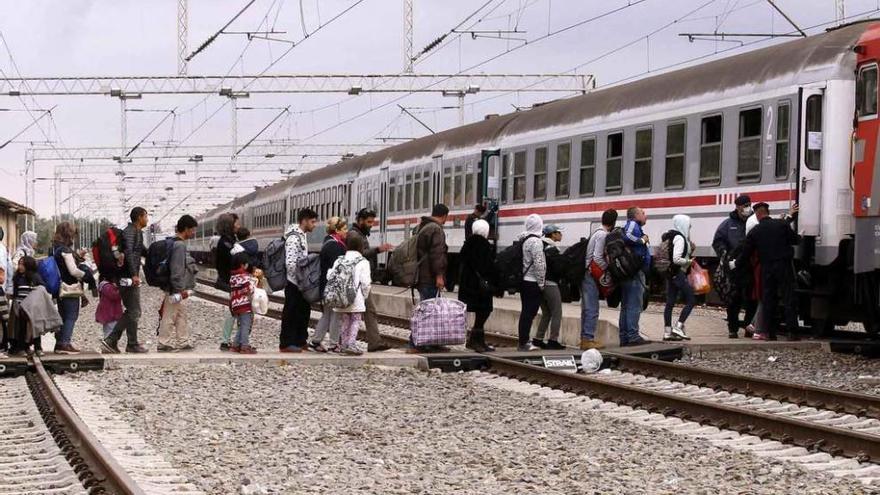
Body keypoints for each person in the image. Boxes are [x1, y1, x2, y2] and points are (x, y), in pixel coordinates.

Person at [734, 202, 800, 341]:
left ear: (757, 215)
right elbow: (795, 240)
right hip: (784, 266)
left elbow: (746, 252)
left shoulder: (756, 231)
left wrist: (735, 264)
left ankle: (770, 333)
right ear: (768, 212)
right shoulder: (781, 225)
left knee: (768, 300)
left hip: (767, 269)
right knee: (789, 298)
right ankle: (792, 332)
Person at [102, 207, 149, 354]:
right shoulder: (129, 232)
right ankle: (112, 340)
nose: (147, 219)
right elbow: (128, 252)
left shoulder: (137, 233)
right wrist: (135, 274)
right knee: (134, 311)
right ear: (139, 217)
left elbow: (142, 251)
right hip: (126, 277)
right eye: (146, 216)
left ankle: (130, 344)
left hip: (129, 276)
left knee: (133, 310)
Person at [712, 195, 758, 338]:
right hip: (734, 268)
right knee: (734, 299)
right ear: (737, 207)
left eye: (749, 204)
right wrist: (724, 254)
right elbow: (718, 241)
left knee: (751, 299)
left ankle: (748, 327)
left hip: (750, 267)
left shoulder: (754, 222)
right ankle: (732, 328)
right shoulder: (728, 224)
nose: (748, 208)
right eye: (745, 205)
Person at [348, 208, 393, 352]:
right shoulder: (354, 235)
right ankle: (371, 342)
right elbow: (359, 254)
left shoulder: (359, 234)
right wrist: (378, 250)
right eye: (368, 222)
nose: (371, 225)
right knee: (364, 311)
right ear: (360, 220)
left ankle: (373, 341)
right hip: (358, 280)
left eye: (372, 222)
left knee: (367, 311)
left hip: (361, 279)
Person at [157, 215, 199, 352]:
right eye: (192, 230)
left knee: (181, 314)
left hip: (174, 286)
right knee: (169, 315)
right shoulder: (179, 245)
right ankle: (163, 343)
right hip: (175, 287)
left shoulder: (173, 242)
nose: (193, 233)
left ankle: (183, 341)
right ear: (186, 229)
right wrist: (179, 289)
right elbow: (177, 269)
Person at [280, 208, 318, 353]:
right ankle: (286, 343)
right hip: (294, 283)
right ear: (304, 221)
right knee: (291, 312)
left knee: (303, 311)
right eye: (313, 222)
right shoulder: (294, 238)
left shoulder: (302, 236)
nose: (314, 225)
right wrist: (299, 280)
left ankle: (300, 340)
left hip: (301, 283)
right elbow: (290, 263)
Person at [458, 218, 497, 352]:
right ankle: (477, 341)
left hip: (467, 284)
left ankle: (474, 340)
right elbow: (488, 267)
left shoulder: (467, 244)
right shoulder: (484, 246)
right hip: (480, 287)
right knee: (483, 312)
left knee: (477, 311)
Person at [330, 231, 371, 356]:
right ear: (360, 247)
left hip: (341, 296)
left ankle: (343, 345)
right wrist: (364, 295)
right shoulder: (363, 262)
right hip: (356, 296)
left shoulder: (339, 260)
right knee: (356, 319)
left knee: (345, 319)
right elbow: (365, 282)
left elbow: (331, 276)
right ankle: (351, 343)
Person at [310, 216, 347, 352]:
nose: (346, 231)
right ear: (336, 230)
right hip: (332, 287)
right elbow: (337, 267)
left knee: (327, 315)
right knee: (335, 316)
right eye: (344, 229)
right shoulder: (334, 246)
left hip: (327, 286)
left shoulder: (329, 243)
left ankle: (316, 341)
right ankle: (333, 343)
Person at [581, 209, 617, 350]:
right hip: (591, 274)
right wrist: (608, 269)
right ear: (613, 222)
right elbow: (597, 258)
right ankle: (588, 339)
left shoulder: (596, 232)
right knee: (592, 308)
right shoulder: (602, 235)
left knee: (586, 308)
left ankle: (584, 339)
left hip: (586, 273)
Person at [51, 222, 85, 355]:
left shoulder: (55, 248)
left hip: (59, 287)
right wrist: (85, 275)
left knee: (63, 315)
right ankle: (65, 343)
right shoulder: (65, 250)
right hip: (69, 287)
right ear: (69, 234)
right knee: (71, 316)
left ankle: (59, 343)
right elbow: (73, 271)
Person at [619, 207, 652, 346]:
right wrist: (642, 241)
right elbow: (627, 236)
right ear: (635, 215)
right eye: (643, 213)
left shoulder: (634, 225)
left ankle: (625, 337)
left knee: (627, 306)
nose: (645, 215)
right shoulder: (633, 224)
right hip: (635, 272)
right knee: (634, 305)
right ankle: (632, 336)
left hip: (631, 272)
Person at [533, 224, 565, 350]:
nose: (561, 235)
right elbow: (557, 269)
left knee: (546, 312)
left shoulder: (541, 246)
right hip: (551, 284)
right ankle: (553, 340)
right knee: (557, 312)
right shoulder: (553, 249)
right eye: (559, 233)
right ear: (553, 234)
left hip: (539, 283)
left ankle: (538, 339)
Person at [662, 214, 694, 342]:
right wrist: (688, 261)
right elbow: (676, 259)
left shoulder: (672, 236)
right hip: (678, 273)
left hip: (671, 274)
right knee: (691, 300)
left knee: (670, 303)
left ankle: (667, 332)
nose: (690, 227)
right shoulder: (680, 238)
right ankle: (679, 326)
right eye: (688, 224)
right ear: (683, 224)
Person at [516, 214, 546, 352]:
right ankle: (524, 342)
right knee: (529, 313)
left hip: (524, 280)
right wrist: (541, 283)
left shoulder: (523, 239)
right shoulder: (536, 242)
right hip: (532, 282)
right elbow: (540, 264)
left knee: (525, 312)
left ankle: (523, 341)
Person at [10, 256, 45, 356]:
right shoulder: (17, 277)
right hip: (21, 307)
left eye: (22, 264)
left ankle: (38, 348)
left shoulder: (35, 277)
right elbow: (16, 294)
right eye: (19, 264)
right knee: (22, 328)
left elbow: (42, 289)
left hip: (33, 307)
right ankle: (22, 348)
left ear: (28, 265)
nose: (20, 266)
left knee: (36, 328)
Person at [415, 204, 450, 302]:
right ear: (444, 216)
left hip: (422, 277)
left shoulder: (423, 226)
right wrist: (439, 276)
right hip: (430, 278)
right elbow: (437, 254)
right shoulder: (436, 229)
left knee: (425, 308)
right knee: (431, 311)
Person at [216, 213, 241, 351]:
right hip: (231, 280)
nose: (238, 225)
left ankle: (235, 340)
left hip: (234, 279)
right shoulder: (226, 242)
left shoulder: (229, 240)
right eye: (236, 223)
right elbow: (233, 259)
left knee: (235, 310)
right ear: (229, 225)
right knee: (233, 311)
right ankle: (225, 341)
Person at [228, 252, 257, 354]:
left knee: (241, 325)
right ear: (242, 264)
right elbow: (249, 289)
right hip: (245, 304)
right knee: (246, 325)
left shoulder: (233, 277)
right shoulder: (244, 276)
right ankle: (244, 346)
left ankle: (236, 345)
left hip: (236, 304)